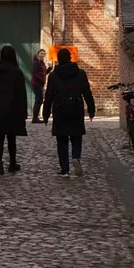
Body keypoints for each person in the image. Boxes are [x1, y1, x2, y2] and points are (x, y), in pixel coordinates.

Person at [43, 47, 95, 177]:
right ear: (70, 58)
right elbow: (87, 93)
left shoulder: (53, 75)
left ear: (58, 59)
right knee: (76, 137)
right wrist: (91, 110)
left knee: (62, 140)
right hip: (76, 109)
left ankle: (65, 168)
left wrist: (45, 114)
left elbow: (49, 96)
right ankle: (76, 157)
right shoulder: (80, 73)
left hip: (60, 110)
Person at [0, 45, 28, 174]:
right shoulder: (16, 72)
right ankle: (12, 164)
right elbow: (21, 94)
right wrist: (23, 112)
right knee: (11, 138)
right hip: (12, 109)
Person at [30, 48, 50, 123]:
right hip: (36, 83)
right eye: (41, 53)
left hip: (40, 84)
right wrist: (41, 80)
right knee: (39, 100)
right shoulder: (36, 62)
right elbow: (34, 73)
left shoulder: (42, 63)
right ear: (38, 54)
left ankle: (35, 118)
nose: (42, 55)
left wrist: (50, 68)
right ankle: (35, 119)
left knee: (39, 100)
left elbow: (44, 74)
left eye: (43, 54)